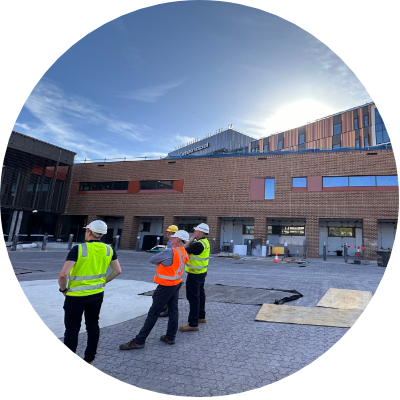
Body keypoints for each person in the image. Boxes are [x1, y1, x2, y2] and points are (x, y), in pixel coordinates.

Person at [58, 220, 122, 366]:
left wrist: (63, 290)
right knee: (93, 325)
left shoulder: (78, 249)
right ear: (102, 235)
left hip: (75, 296)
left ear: (88, 232)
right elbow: (117, 271)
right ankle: (89, 359)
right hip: (97, 295)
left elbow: (63, 275)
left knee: (72, 329)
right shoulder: (108, 249)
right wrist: (103, 282)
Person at [119, 230, 189, 349]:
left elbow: (152, 259)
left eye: (173, 238)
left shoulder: (170, 251)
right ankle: (170, 337)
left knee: (153, 313)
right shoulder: (183, 251)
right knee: (173, 310)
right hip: (176, 283)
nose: (170, 239)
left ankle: (139, 340)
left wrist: (162, 263)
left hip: (166, 286)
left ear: (178, 240)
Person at [179, 223, 210, 332]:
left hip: (194, 274)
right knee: (200, 294)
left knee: (193, 298)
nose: (194, 233)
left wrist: (189, 241)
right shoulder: (204, 242)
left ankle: (193, 323)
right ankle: (201, 316)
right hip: (201, 273)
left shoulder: (198, 244)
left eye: (196, 231)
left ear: (201, 232)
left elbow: (181, 251)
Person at [159, 224, 179, 318]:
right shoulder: (177, 241)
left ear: (169, 233)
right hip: (175, 270)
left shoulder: (171, 242)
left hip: (169, 270)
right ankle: (165, 306)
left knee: (167, 291)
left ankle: (167, 309)